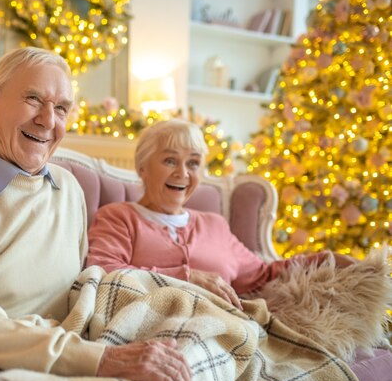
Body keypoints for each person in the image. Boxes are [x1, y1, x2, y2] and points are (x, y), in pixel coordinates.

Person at [0, 47, 191, 381]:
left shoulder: (69, 189)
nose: (48, 120)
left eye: (61, 107)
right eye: (34, 99)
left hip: (58, 364)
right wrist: (100, 360)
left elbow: (81, 292)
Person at [86, 119, 356, 309]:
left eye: (193, 163)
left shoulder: (214, 225)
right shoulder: (119, 217)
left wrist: (327, 260)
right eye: (170, 160)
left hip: (224, 330)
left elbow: (263, 274)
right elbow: (105, 273)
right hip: (153, 329)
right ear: (142, 167)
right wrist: (187, 277)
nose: (183, 173)